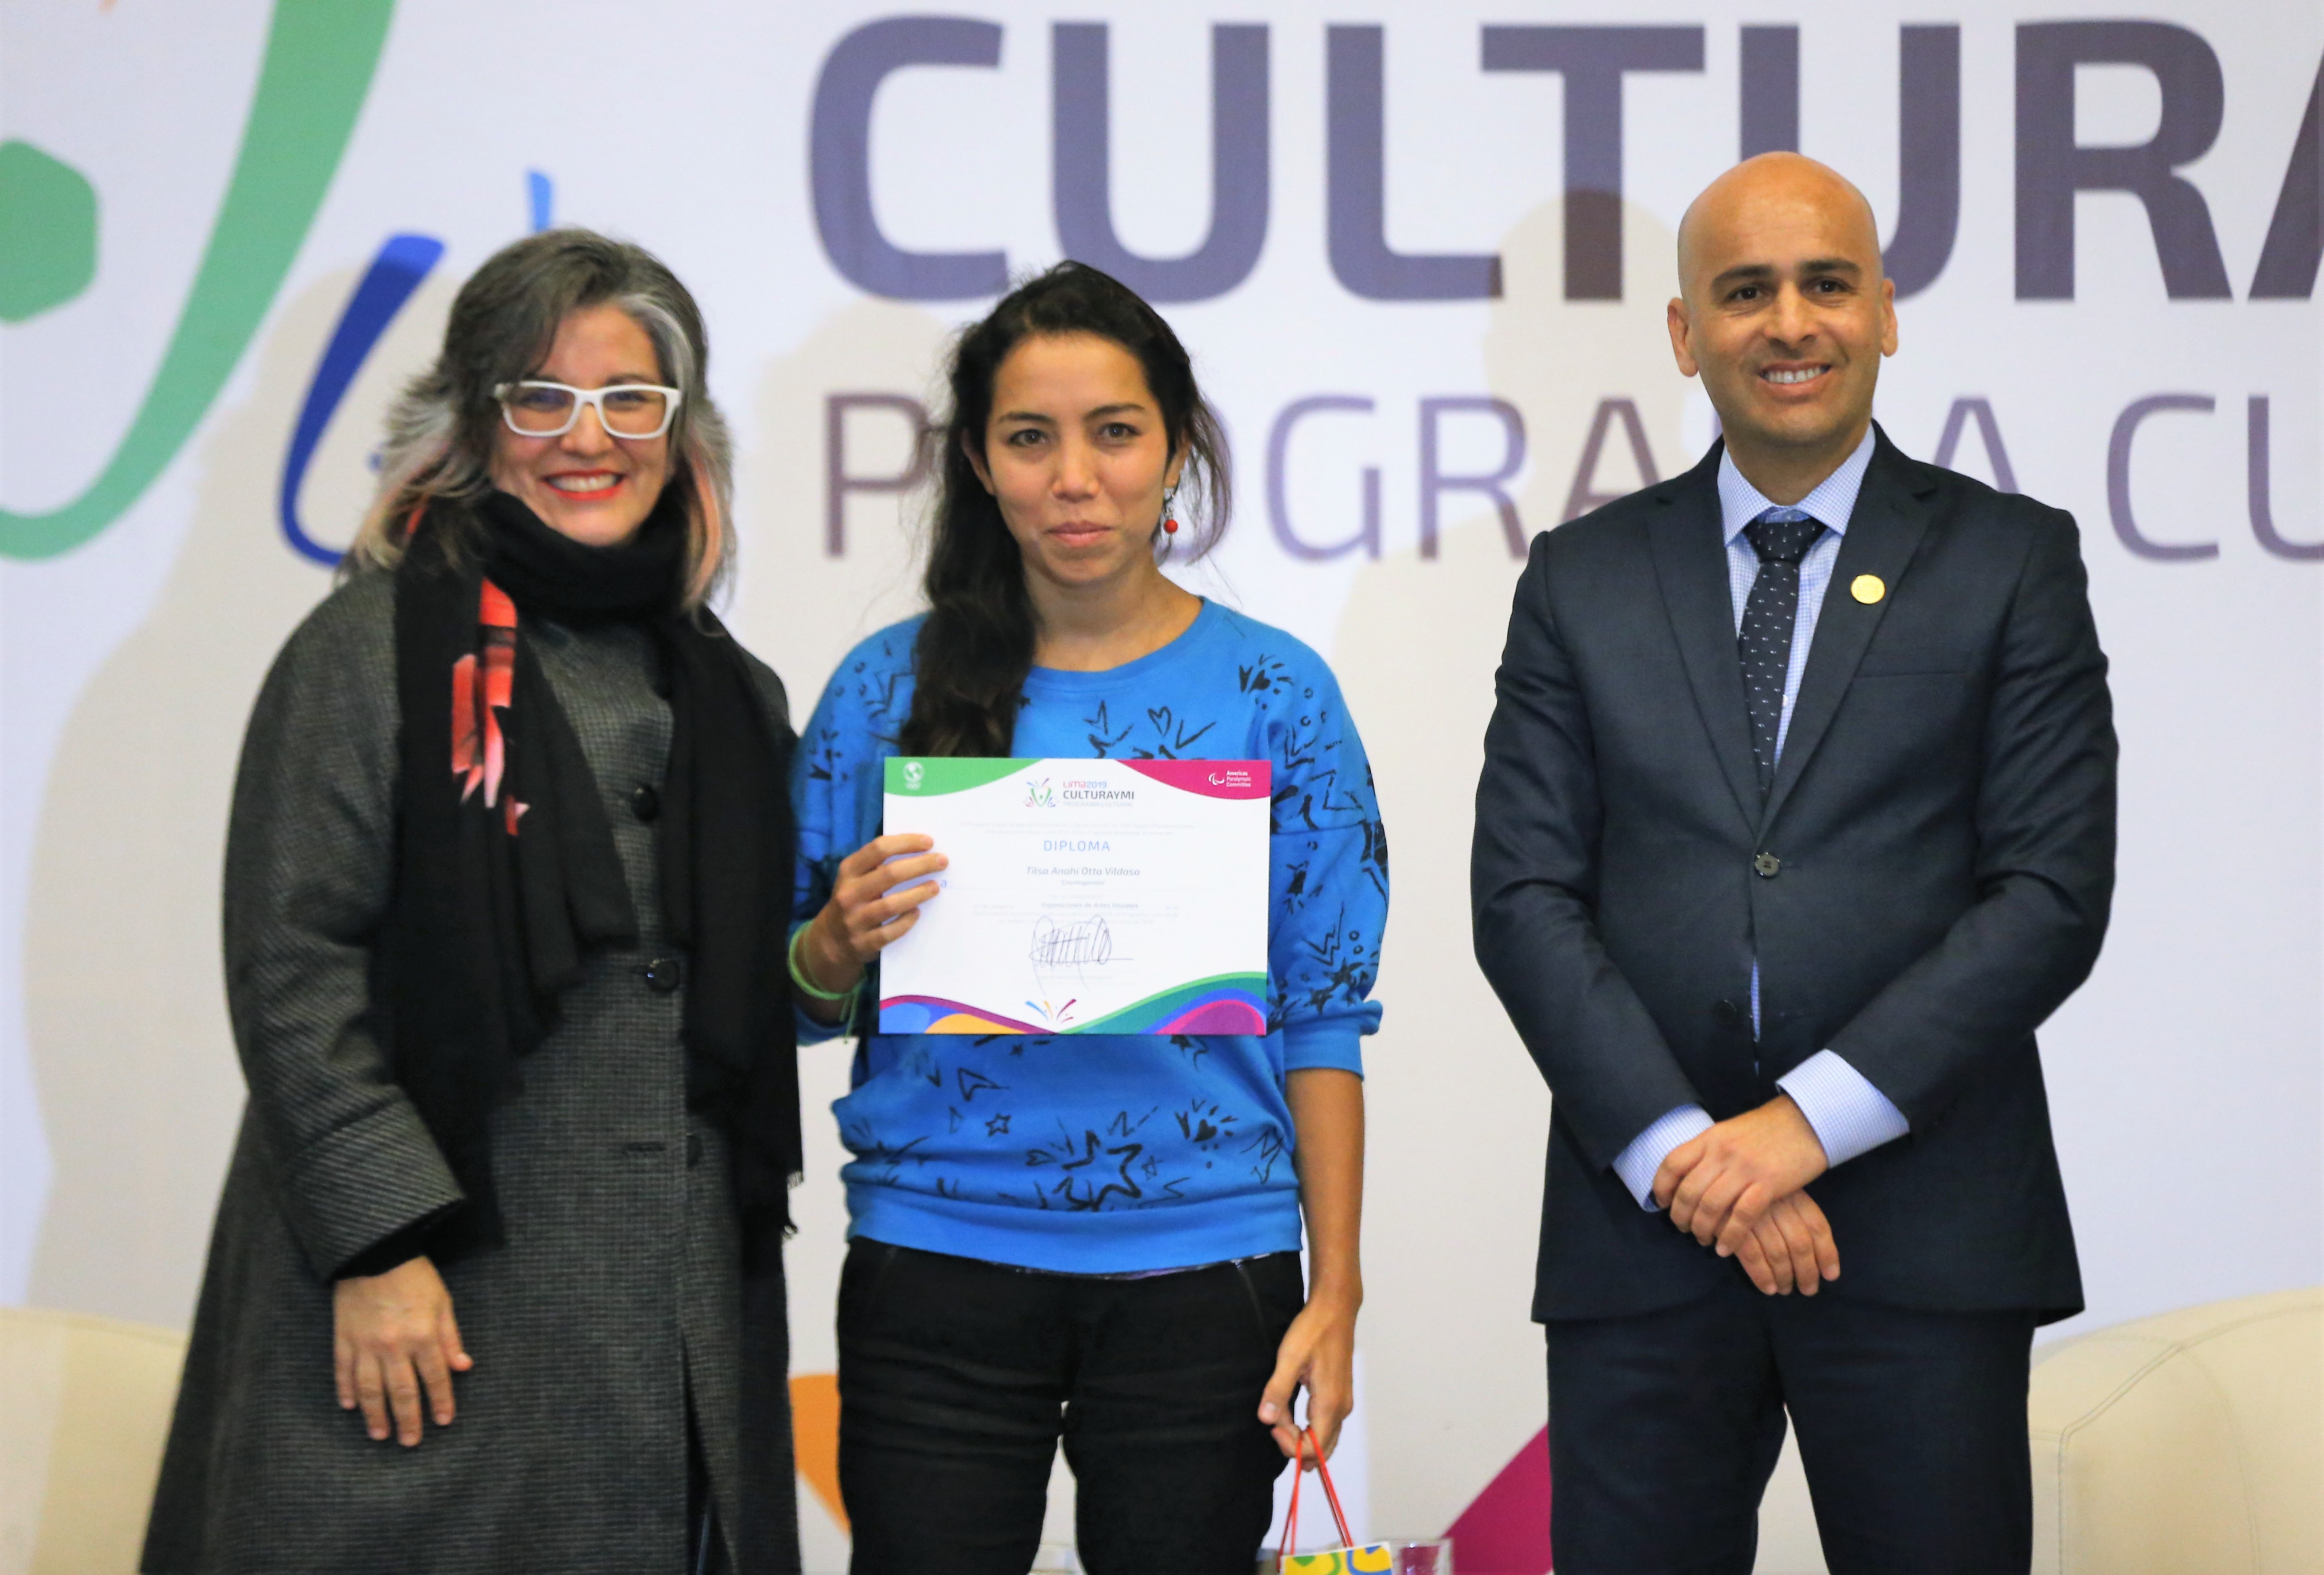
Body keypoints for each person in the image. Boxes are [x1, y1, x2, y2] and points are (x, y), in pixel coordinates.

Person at [1471, 153, 2116, 1575]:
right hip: (1646, 1232)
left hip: (1926, 1235)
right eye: (1744, 290)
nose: (1789, 322)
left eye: (1826, 283)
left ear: (1883, 310)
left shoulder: (2010, 560)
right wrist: (1685, 1156)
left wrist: (1799, 1129)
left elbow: (2049, 893)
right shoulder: (1580, 576)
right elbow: (1521, 897)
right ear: (1683, 331)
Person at [143, 230, 802, 1575]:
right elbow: (292, 968)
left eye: (630, 399)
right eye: (542, 397)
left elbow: (758, 978)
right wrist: (378, 1242)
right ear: (473, 425)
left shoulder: (733, 687)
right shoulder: (369, 648)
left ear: (683, 432)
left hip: (667, 1317)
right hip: (419, 1306)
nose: (589, 438)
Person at [787, 260, 1386, 1575]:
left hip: (1208, 1273)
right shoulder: (881, 693)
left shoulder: (1278, 697)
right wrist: (830, 945)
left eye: (1114, 432)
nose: (1075, 478)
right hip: (933, 1260)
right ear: (978, 462)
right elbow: (789, 998)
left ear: (1175, 449)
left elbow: (1324, 1017)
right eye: (1029, 438)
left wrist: (1335, 1285)